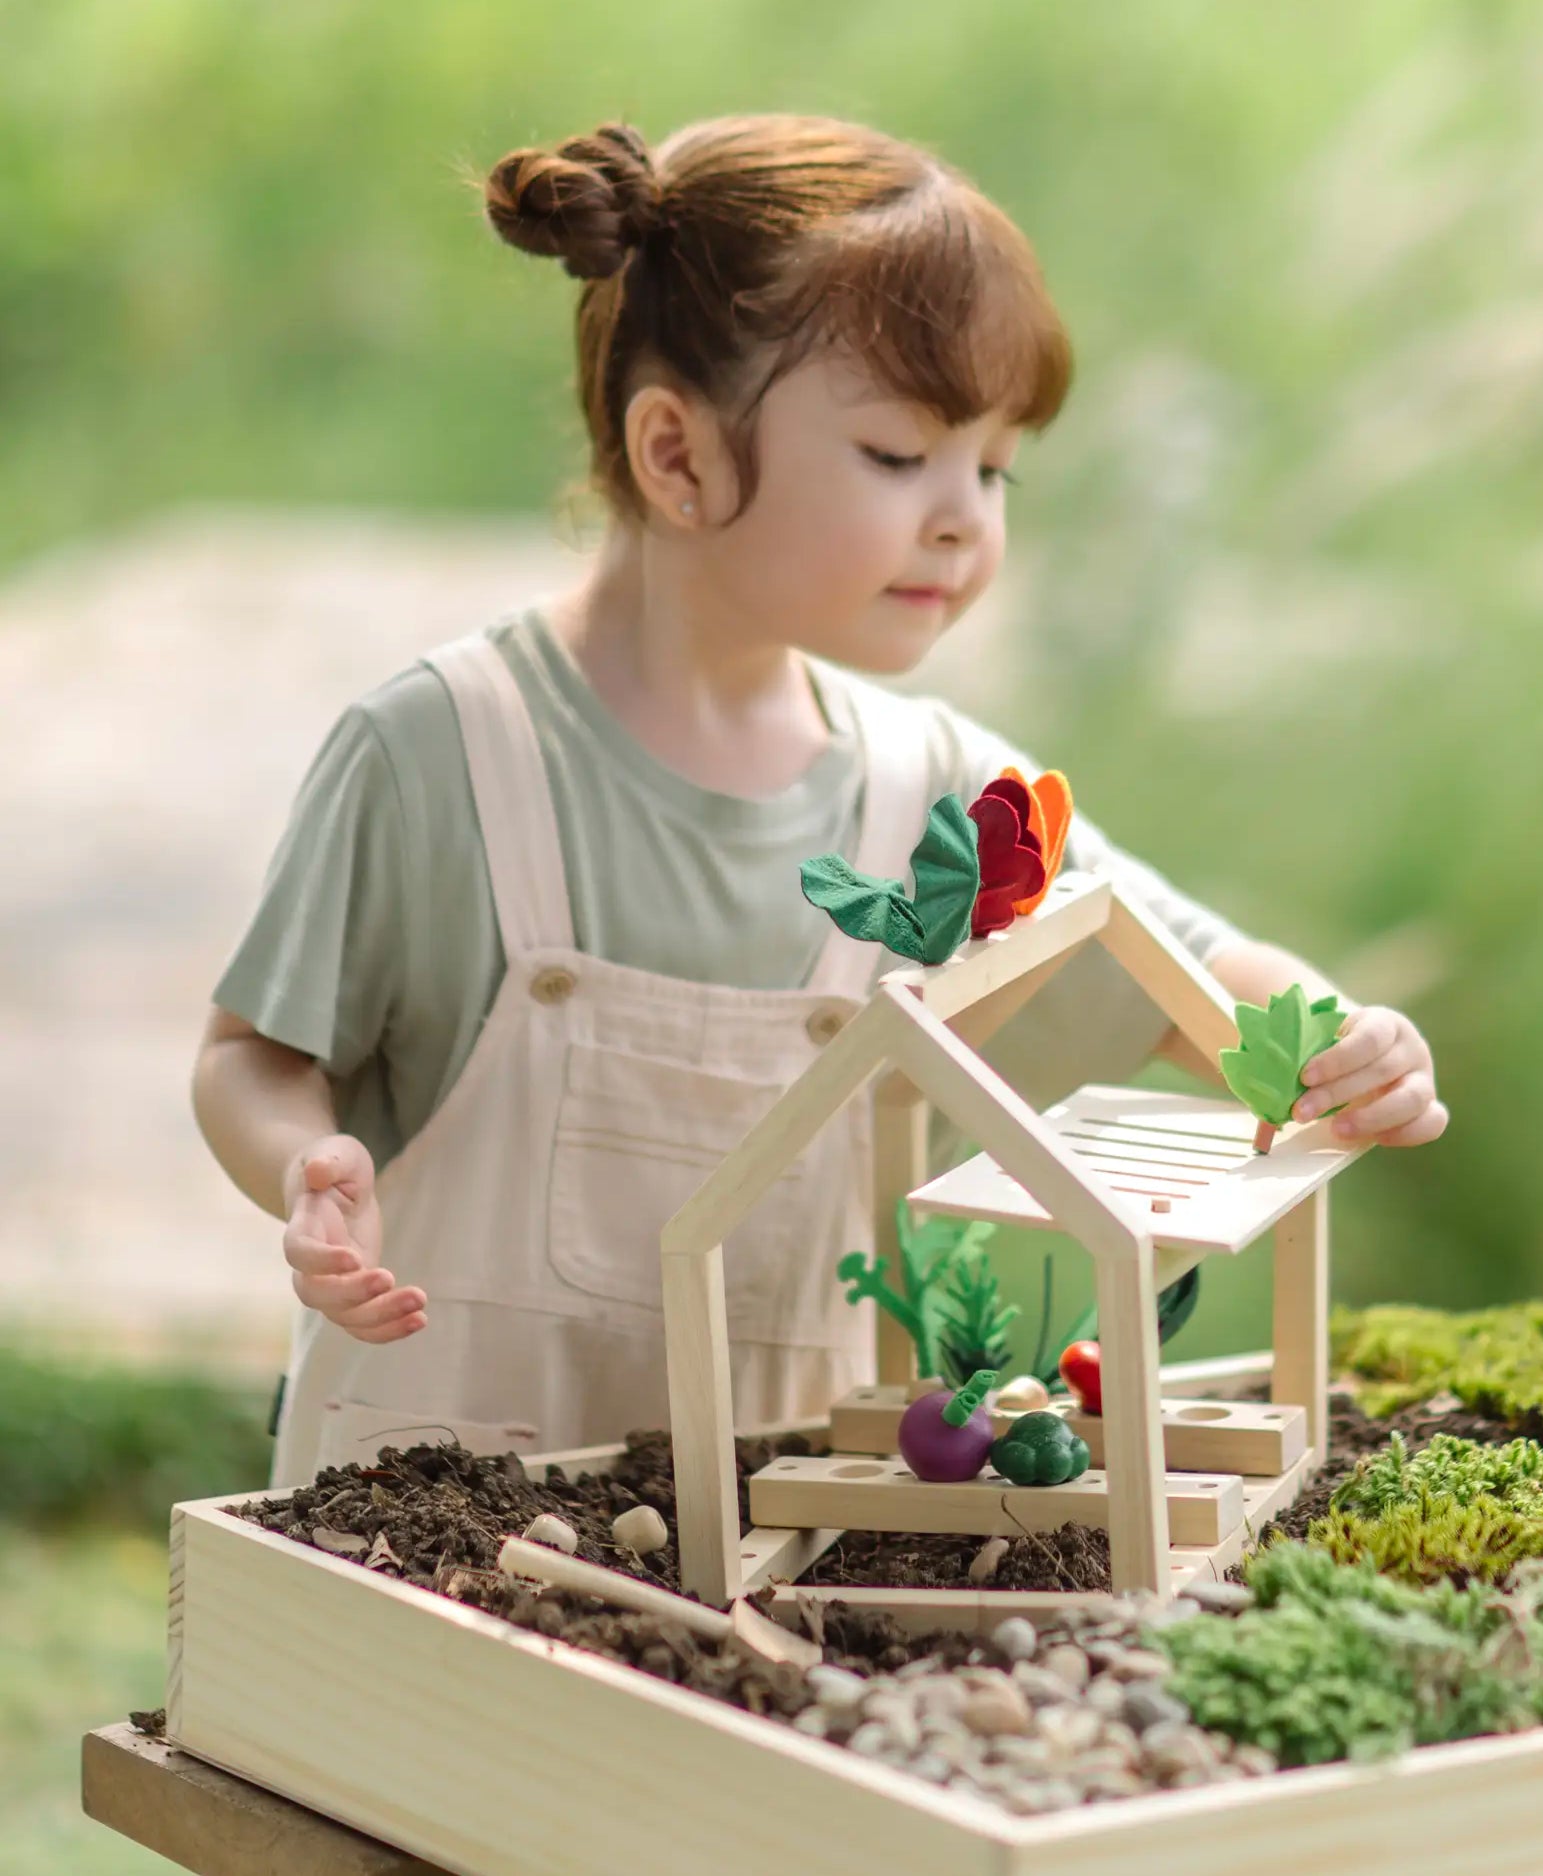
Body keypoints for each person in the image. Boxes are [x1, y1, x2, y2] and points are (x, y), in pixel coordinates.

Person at [191, 114, 1448, 1489]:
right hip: (419, 1545)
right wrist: (307, 1170)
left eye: (993, 464)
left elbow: (1187, 985)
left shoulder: (943, 802)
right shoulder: (440, 753)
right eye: (901, 458)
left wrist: (1345, 1045)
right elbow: (253, 1054)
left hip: (779, 1561)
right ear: (676, 457)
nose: (964, 518)